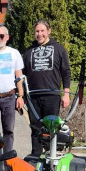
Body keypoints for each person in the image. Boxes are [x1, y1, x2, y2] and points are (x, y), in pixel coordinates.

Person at [23, 19, 71, 158]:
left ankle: (51, 158)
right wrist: (21, 96)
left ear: (49, 31)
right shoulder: (28, 52)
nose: (39, 34)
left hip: (52, 96)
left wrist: (66, 94)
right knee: (35, 129)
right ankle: (36, 158)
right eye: (37, 31)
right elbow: (22, 74)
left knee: (51, 128)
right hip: (33, 97)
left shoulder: (59, 49)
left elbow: (66, 72)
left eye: (42, 31)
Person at [0, 26, 24, 152]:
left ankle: (7, 158)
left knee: (8, 130)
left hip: (9, 98)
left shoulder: (14, 53)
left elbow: (19, 76)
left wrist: (20, 96)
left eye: (1, 35)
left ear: (7, 37)